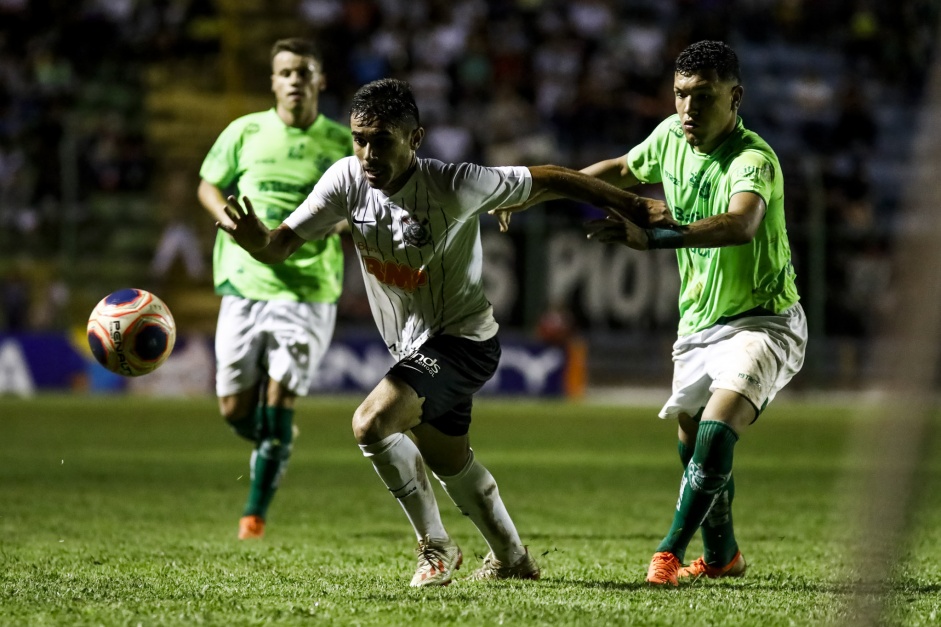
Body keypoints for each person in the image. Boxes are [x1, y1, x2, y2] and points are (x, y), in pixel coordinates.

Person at [217, 78, 670, 586]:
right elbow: (281, 245)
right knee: (451, 462)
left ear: (416, 139)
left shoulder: (452, 183)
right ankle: (512, 559)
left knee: (371, 424)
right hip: (413, 346)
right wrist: (258, 242)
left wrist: (633, 206)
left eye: (382, 140)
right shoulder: (345, 180)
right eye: (359, 138)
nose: (367, 153)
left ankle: (435, 548)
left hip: (464, 341)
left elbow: (552, 176)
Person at [504, 40, 807, 586]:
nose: (688, 109)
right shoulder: (670, 136)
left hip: (765, 320)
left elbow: (741, 225)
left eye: (703, 97)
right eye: (680, 95)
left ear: (734, 97)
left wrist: (656, 237)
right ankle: (722, 557)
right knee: (694, 446)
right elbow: (622, 169)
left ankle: (668, 552)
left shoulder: (753, 159)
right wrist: (541, 194)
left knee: (716, 431)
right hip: (698, 322)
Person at [196, 37, 353, 540]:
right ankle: (278, 442)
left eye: (303, 72)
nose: (294, 81)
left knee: (280, 395)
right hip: (244, 284)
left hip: (306, 288)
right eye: (285, 72)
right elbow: (208, 184)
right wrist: (230, 223)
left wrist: (336, 226)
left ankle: (254, 513)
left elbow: (365, 206)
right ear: (273, 81)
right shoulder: (244, 132)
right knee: (233, 410)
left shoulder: (341, 142)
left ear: (320, 81)